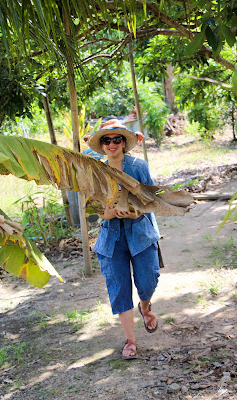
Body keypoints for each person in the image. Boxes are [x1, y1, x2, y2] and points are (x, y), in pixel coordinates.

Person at [86, 119, 161, 359]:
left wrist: (136, 212)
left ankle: (145, 307)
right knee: (119, 289)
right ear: (102, 144)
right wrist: (107, 213)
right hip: (111, 237)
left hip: (139, 232)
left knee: (148, 279)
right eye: (107, 140)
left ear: (124, 142)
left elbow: (152, 199)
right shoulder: (97, 170)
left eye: (116, 139)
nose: (111, 144)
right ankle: (130, 341)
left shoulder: (139, 167)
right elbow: (93, 207)